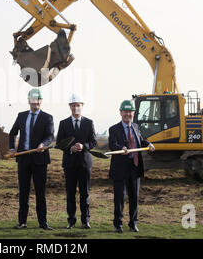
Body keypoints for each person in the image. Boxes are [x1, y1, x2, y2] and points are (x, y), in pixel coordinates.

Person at [9, 89, 55, 230]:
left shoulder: (47, 117)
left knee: (40, 192)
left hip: (40, 160)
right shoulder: (21, 116)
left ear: (41, 101)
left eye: (38, 99)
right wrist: (12, 148)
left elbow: (50, 136)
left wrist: (43, 144)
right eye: (33, 99)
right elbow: (12, 133)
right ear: (29, 101)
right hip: (23, 158)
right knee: (23, 191)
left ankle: (43, 223)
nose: (35, 102)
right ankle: (22, 222)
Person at [108, 100, 155, 233]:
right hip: (120, 170)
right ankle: (118, 224)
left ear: (133, 113)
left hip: (135, 168)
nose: (127, 114)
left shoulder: (136, 126)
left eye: (130, 112)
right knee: (119, 199)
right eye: (125, 111)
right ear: (121, 112)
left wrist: (149, 144)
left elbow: (141, 140)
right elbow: (112, 144)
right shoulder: (113, 129)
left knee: (134, 198)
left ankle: (133, 223)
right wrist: (121, 148)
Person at [56, 94, 97, 229]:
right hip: (70, 163)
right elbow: (59, 143)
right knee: (70, 193)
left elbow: (93, 142)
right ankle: (71, 221)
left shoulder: (89, 123)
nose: (76, 108)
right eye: (73, 106)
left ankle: (85, 221)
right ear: (70, 107)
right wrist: (70, 148)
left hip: (85, 164)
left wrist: (83, 146)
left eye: (78, 105)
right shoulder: (63, 123)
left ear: (82, 107)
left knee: (85, 193)